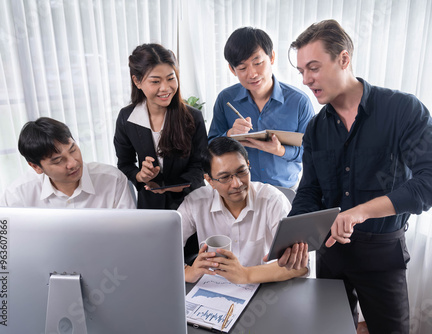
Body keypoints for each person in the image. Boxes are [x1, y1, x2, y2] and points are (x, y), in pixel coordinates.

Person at [284, 20, 432, 333]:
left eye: (314, 67)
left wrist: (361, 212)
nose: (307, 79)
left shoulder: (401, 110)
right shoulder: (315, 129)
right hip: (331, 252)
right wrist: (295, 231)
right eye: (301, 71)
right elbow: (310, 191)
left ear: (344, 59)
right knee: (329, 329)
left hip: (382, 254)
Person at [179, 137, 308, 284]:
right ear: (209, 181)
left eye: (242, 172)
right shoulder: (196, 202)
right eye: (225, 177)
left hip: (264, 287)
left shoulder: (272, 200)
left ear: (248, 165)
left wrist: (246, 275)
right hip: (213, 288)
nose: (237, 183)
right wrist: (187, 272)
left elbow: (301, 266)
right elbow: (161, 248)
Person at [208, 27, 315, 189]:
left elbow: (311, 153)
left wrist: (280, 150)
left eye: (258, 63)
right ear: (232, 69)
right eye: (242, 68)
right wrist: (229, 135)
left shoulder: (299, 102)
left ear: (271, 57)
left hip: (285, 191)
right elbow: (210, 149)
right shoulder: (226, 99)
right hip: (240, 191)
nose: (252, 74)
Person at [114, 43, 208, 210]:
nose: (165, 88)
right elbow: (124, 164)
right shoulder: (126, 118)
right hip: (151, 206)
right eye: (155, 81)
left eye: (171, 78)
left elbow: (200, 166)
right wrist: (140, 175)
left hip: (190, 203)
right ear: (137, 81)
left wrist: (177, 185)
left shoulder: (192, 117)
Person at [0, 117, 135, 209]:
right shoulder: (19, 193)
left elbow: (131, 235)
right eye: (58, 160)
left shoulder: (112, 180)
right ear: (36, 167)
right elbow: (0, 239)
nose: (73, 163)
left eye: (73, 149)